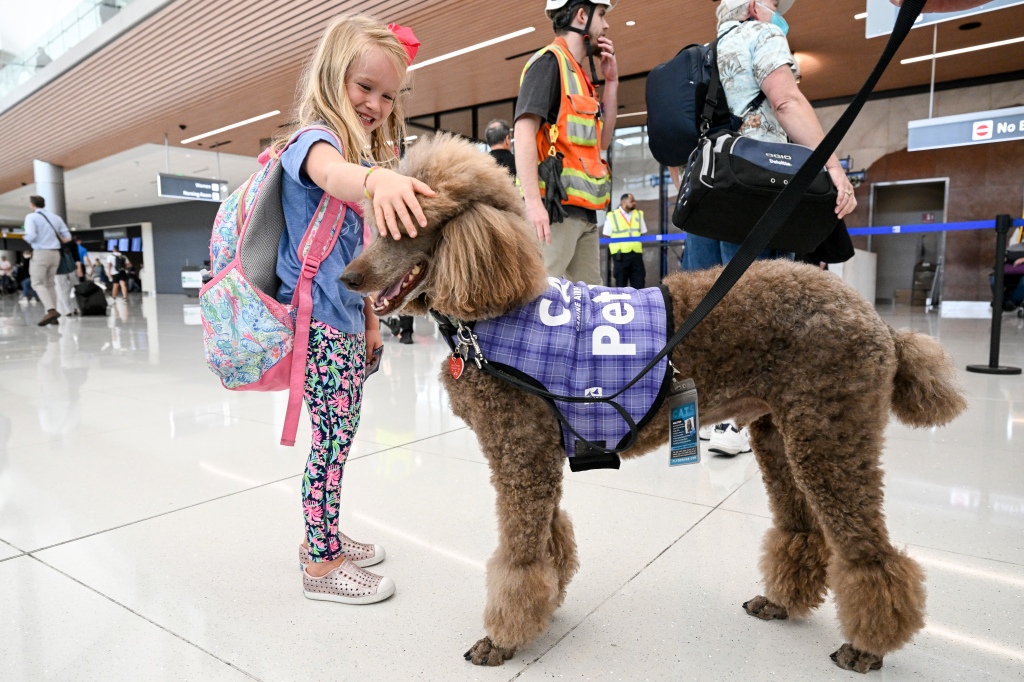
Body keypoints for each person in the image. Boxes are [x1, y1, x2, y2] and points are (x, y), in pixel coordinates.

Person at [271, 14, 433, 605]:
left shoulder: (356, 152)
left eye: (389, 95)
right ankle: (319, 565)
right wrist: (376, 180)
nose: (376, 103)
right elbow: (335, 177)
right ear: (332, 74)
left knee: (339, 438)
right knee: (331, 443)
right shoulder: (315, 141)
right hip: (315, 325)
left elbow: (349, 253)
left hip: (341, 321)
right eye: (364, 87)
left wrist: (369, 320)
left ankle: (326, 535)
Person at [687, 0, 856, 457]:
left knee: (698, 309)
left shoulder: (710, 48)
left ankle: (688, 425)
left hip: (709, 187)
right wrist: (833, 169)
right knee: (756, 308)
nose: (781, 9)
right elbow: (785, 101)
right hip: (755, 187)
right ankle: (736, 426)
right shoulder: (764, 35)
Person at [514, 0, 617, 285]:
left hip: (584, 213)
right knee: (538, 299)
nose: (606, 25)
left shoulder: (580, 76)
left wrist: (611, 83)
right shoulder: (549, 62)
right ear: (582, 15)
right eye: (602, 14)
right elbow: (523, 132)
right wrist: (533, 204)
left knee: (588, 303)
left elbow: (603, 141)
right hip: (554, 212)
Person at [23, 195, 72, 326]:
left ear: (32, 205)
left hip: (41, 253)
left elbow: (32, 236)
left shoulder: (31, 217)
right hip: (56, 253)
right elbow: (67, 237)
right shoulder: (56, 218)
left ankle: (51, 311)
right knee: (50, 284)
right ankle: (54, 316)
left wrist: (26, 237)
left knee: (37, 283)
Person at [602, 193, 647, 288]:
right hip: (620, 256)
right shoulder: (612, 216)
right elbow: (606, 235)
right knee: (621, 285)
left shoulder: (638, 214)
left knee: (639, 284)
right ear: (623, 202)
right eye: (632, 201)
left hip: (636, 254)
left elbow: (642, 233)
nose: (634, 203)